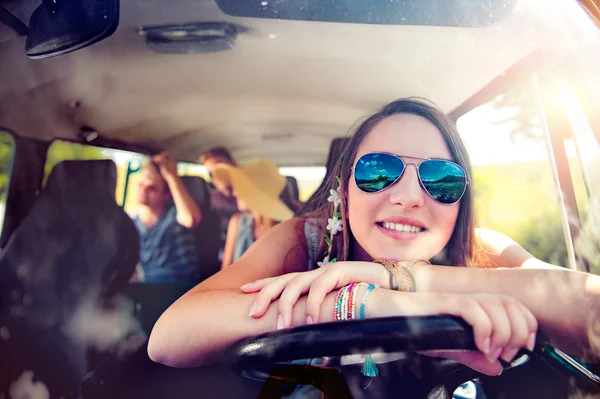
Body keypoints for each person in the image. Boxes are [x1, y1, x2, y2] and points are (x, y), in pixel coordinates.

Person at [147, 99, 600, 385]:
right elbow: (169, 338)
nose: (406, 197)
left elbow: (589, 308)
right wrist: (364, 302)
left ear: (461, 201)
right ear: (343, 192)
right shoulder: (303, 240)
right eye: (377, 171)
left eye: (441, 179)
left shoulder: (484, 250)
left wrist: (407, 281)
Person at [131, 152, 202, 283]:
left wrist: (171, 176)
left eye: (152, 187)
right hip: (148, 290)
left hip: (180, 289)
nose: (144, 190)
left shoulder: (175, 215)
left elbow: (190, 219)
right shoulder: (131, 223)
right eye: (140, 184)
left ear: (166, 194)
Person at [213, 159, 294, 269]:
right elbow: (226, 268)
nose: (235, 193)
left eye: (242, 188)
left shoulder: (287, 229)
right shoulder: (237, 221)